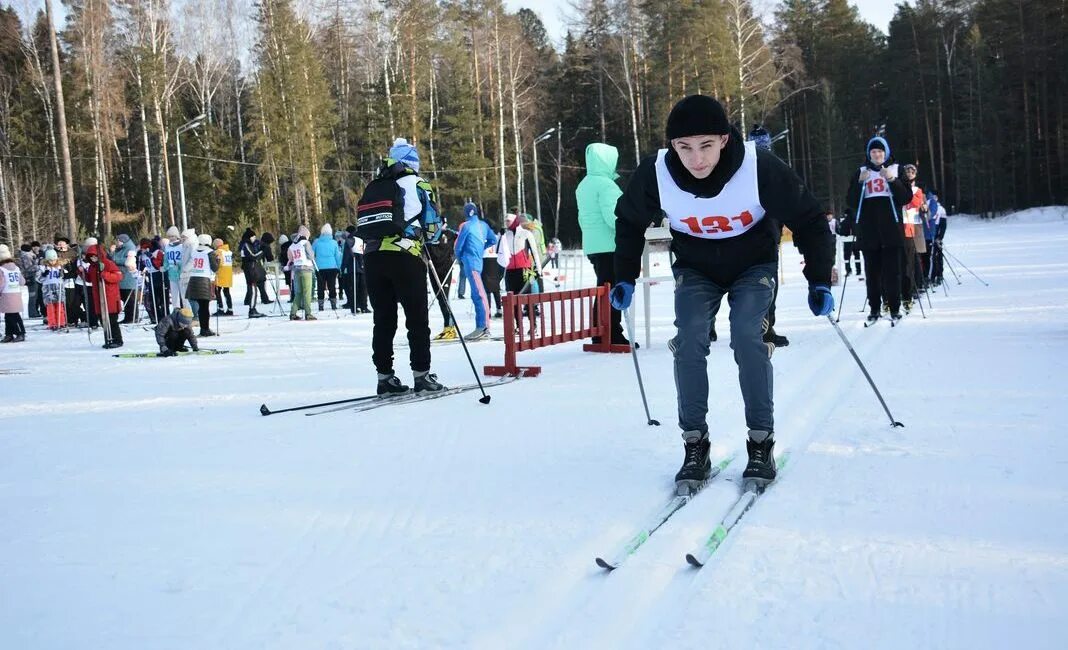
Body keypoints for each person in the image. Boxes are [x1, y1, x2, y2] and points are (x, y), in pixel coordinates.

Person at [610, 94, 835, 493]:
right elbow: (628, 222)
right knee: (690, 336)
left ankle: (760, 441)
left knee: (748, 334)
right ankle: (695, 443)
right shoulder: (657, 173)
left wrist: (818, 276)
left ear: (724, 140)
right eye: (684, 148)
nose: (696, 159)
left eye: (706, 146)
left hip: (753, 264)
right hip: (696, 268)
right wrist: (623, 275)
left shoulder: (757, 166)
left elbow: (810, 218)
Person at [356, 137, 445, 394]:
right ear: (412, 163)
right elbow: (433, 225)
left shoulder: (376, 185)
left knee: (383, 320)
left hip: (373, 258)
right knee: (417, 318)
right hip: (405, 256)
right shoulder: (418, 183)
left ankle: (384, 377)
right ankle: (422, 375)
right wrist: (431, 239)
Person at [842, 136, 912, 325]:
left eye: (880, 151)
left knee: (893, 272)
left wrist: (892, 180)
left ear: (886, 152)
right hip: (869, 229)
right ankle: (874, 308)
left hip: (891, 228)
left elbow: (906, 198)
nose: (877, 155)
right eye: (873, 152)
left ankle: (895, 307)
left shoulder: (896, 169)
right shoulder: (861, 171)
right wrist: (859, 183)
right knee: (872, 272)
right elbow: (851, 201)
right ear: (869, 154)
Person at [576, 142, 627, 346]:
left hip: (594, 244)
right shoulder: (606, 185)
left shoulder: (585, 184)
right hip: (610, 244)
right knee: (612, 290)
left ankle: (601, 332)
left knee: (603, 288)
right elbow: (613, 216)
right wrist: (630, 225)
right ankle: (612, 333)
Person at [454, 202, 498, 340]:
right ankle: (482, 326)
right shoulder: (484, 225)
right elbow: (493, 239)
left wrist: (461, 256)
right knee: (477, 293)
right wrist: (481, 247)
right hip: (477, 261)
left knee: (478, 294)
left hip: (470, 261)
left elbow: (458, 246)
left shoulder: (466, 226)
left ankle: (482, 326)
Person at [497, 212, 543, 335]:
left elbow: (534, 251)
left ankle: (533, 326)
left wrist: (538, 269)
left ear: (515, 220)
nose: (506, 222)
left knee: (529, 299)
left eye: (509, 220)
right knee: (513, 301)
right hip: (510, 271)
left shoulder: (526, 233)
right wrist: (499, 237)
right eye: (505, 220)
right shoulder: (505, 235)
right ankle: (518, 326)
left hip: (525, 270)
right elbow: (499, 253)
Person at [84, 243, 124, 348]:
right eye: (91, 257)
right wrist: (82, 272)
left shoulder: (108, 264)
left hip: (110, 298)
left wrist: (105, 275)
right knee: (103, 321)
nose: (93, 258)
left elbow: (118, 276)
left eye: (95, 256)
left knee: (112, 321)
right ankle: (108, 339)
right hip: (99, 299)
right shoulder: (92, 267)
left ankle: (117, 339)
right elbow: (89, 279)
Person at [900, 164, 926, 311]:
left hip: (912, 226)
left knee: (913, 260)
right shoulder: (900, 187)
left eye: (912, 171)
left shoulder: (917, 190)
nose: (909, 173)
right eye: (907, 171)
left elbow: (914, 203)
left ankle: (913, 288)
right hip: (900, 226)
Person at [426, 220, 458, 340]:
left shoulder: (450, 234)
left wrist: (457, 253)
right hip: (433, 269)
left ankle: (450, 328)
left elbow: (462, 238)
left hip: (446, 270)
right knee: (440, 299)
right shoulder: (429, 234)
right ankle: (447, 327)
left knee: (444, 298)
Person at [184, 233, 219, 336]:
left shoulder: (195, 251)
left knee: (201, 306)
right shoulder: (210, 252)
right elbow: (215, 268)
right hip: (203, 280)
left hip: (193, 279)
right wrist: (218, 261)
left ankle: (204, 328)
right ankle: (205, 329)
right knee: (205, 307)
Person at [286, 225, 317, 320]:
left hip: (297, 270)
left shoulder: (292, 245)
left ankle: (293, 313)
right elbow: (311, 256)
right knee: (307, 292)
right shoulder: (305, 243)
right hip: (307, 269)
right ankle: (308, 314)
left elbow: (290, 258)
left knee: (298, 293)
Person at [0, 244, 27, 342]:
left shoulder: (1, 269)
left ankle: (20, 333)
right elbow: (22, 282)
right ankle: (9, 334)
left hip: (6, 294)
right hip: (16, 293)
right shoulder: (16, 268)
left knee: (12, 315)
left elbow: (1, 284)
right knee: (11, 314)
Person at [312, 223, 342, 311]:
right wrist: (339, 267)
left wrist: (314, 265)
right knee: (332, 286)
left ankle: (321, 306)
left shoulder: (316, 242)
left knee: (320, 287)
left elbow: (312, 254)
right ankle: (333, 305)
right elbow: (337, 256)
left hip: (320, 267)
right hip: (332, 267)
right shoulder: (334, 243)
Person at [37, 248, 68, 330]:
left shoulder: (59, 267)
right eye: (50, 260)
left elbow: (65, 277)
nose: (52, 262)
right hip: (48, 289)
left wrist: (63, 274)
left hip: (59, 288)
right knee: (50, 307)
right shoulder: (43, 268)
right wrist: (43, 275)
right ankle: (52, 323)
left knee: (60, 306)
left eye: (54, 260)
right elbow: (38, 279)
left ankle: (61, 322)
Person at [239, 229, 268, 318]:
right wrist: (262, 251)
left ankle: (253, 308)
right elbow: (253, 256)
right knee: (253, 289)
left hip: (251, 268)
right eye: (253, 236)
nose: (254, 238)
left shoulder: (248, 244)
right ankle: (252, 309)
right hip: (250, 269)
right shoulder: (246, 245)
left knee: (253, 289)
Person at [111, 234, 139, 324]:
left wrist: (115, 259)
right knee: (125, 298)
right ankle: (128, 317)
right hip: (122, 278)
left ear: (122, 241)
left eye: (118, 240)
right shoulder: (120, 249)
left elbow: (128, 261)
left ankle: (133, 317)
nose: (117, 242)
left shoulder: (130, 248)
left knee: (130, 299)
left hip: (128, 278)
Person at [162, 226, 184, 310]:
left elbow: (184, 259)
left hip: (181, 273)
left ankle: (186, 313)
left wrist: (179, 265)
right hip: (171, 274)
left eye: (173, 236)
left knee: (183, 295)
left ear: (177, 236)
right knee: (175, 296)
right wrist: (165, 267)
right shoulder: (167, 246)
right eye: (170, 236)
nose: (171, 238)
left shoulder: (181, 246)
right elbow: (166, 259)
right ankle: (176, 312)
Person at [17, 243, 40, 320]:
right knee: (33, 295)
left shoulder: (24, 255)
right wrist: (38, 266)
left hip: (29, 277)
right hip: (30, 277)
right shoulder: (27, 256)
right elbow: (29, 268)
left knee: (33, 295)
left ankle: (33, 311)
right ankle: (32, 312)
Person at [212, 238, 234, 316]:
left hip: (220, 275)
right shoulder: (229, 252)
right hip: (228, 275)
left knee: (217, 292)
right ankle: (230, 309)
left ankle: (220, 309)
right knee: (227, 292)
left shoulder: (218, 252)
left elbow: (218, 263)